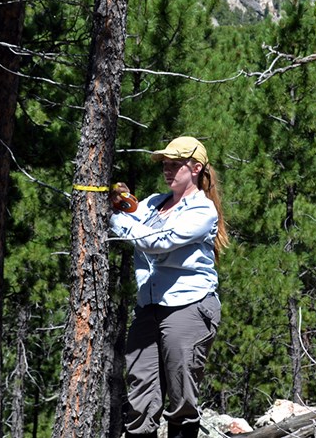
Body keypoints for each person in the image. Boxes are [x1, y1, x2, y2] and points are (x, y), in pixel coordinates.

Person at [109, 136, 229, 438]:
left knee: (181, 395)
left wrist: (117, 220)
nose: (168, 170)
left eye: (176, 164)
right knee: (140, 393)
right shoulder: (151, 203)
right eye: (166, 164)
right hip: (149, 307)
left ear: (196, 168)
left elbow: (157, 242)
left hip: (188, 307)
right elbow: (128, 213)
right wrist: (119, 202)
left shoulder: (202, 211)